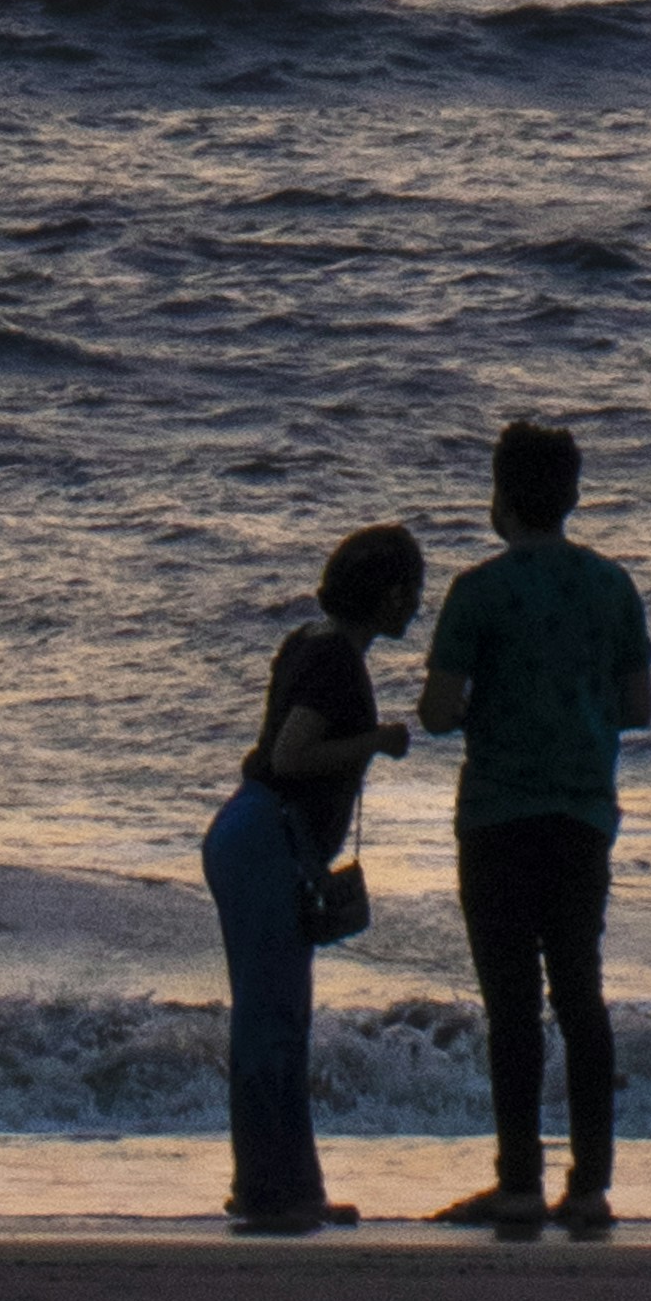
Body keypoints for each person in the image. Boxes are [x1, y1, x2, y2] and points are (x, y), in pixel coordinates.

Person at [417, 414, 651, 1235]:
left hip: (496, 816)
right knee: (581, 994)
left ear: (499, 497)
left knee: (511, 1004)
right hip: (583, 813)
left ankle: (519, 1181)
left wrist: (488, 707)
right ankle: (589, 1186)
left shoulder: (477, 591)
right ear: (573, 496)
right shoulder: (613, 587)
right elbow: (638, 706)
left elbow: (438, 712)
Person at [201, 520, 423, 1236]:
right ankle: (273, 1190)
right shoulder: (334, 660)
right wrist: (376, 742)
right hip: (267, 838)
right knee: (273, 1020)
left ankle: (283, 1186)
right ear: (387, 595)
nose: (416, 603)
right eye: (411, 588)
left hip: (253, 832)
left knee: (275, 1017)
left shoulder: (309, 643)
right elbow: (292, 756)